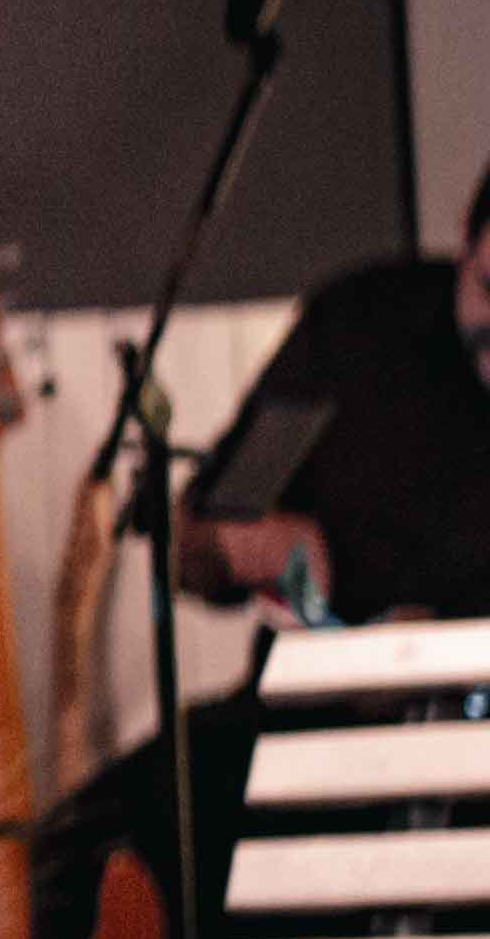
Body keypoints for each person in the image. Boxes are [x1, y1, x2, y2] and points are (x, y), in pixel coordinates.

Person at [181, 150, 490, 625]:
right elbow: (200, 539)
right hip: (340, 660)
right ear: (466, 248)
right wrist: (257, 544)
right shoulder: (354, 329)